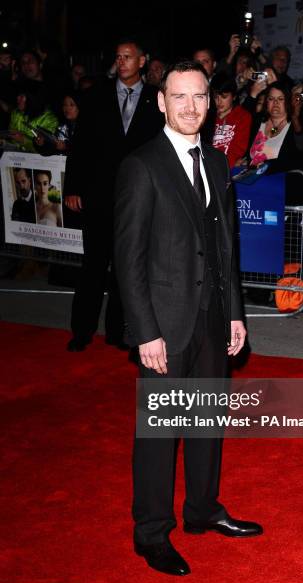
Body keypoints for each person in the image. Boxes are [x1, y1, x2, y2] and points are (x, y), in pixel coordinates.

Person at [114, 60, 262, 577]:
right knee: (159, 434)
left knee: (205, 424)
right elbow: (128, 258)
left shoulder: (218, 164)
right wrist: (145, 330)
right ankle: (151, 533)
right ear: (161, 102)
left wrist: (236, 315)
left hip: (213, 317)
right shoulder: (142, 165)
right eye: (179, 97)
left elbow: (227, 248)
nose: (191, 106)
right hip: (165, 321)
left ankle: (202, 509)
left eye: (199, 96)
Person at [64, 38, 164, 352]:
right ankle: (82, 330)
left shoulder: (155, 99)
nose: (121, 62)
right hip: (98, 195)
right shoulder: (95, 96)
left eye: (128, 57)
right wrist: (73, 188)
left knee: (128, 268)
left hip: (137, 198)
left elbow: (161, 149)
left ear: (143, 61)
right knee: (93, 265)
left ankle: (118, 331)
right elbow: (79, 146)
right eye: (118, 57)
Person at [211, 73, 252, 168]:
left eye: (224, 97)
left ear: (233, 96)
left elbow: (238, 150)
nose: (219, 101)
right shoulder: (208, 116)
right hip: (210, 168)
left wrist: (225, 165)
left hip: (227, 169)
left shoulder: (243, 116)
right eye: (215, 97)